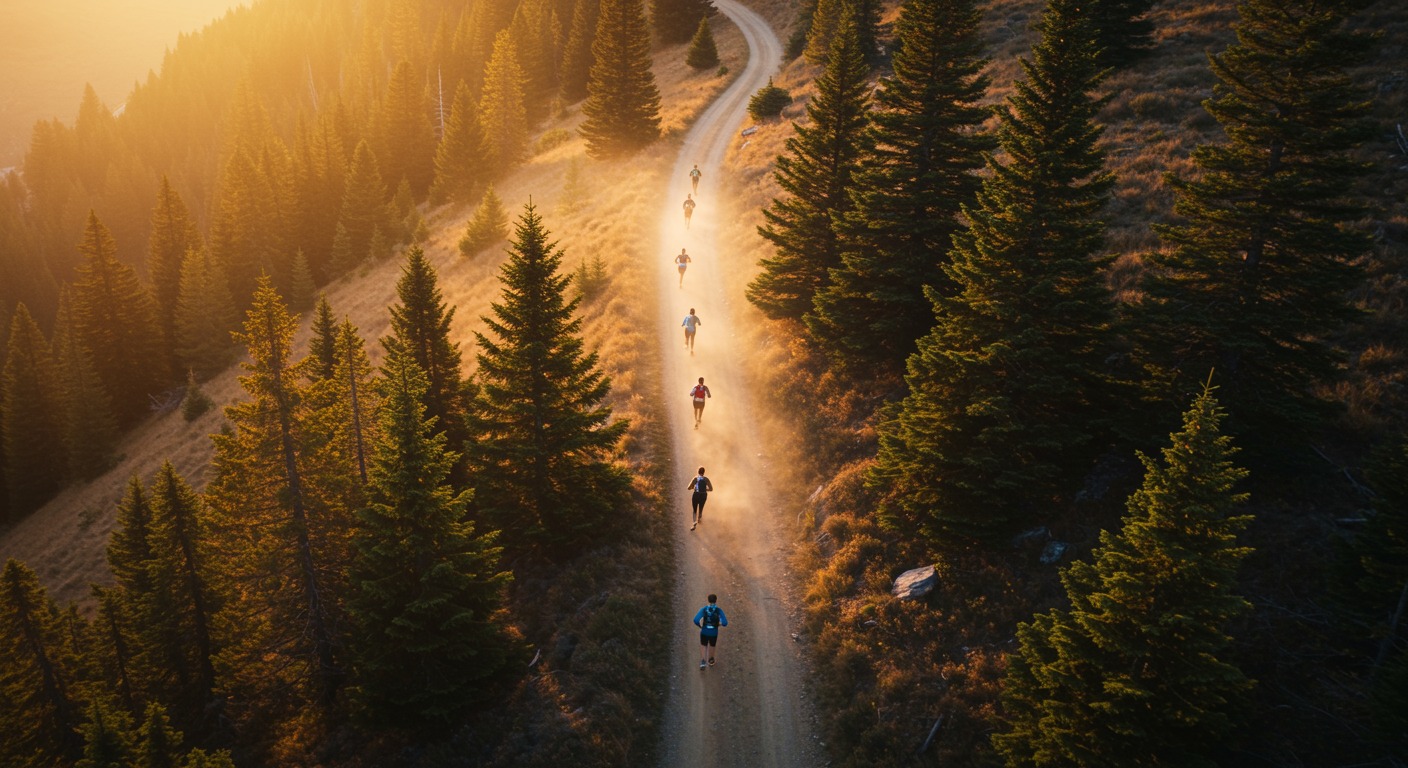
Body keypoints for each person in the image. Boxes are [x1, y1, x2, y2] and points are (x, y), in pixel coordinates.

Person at [692, 593, 728, 669]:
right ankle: (711, 659)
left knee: (703, 644)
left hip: (704, 631)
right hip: (714, 632)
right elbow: (725, 623)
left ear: (708, 600)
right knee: (712, 645)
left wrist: (700, 626)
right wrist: (719, 624)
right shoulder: (718, 610)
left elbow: (695, 620)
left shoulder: (704, 609)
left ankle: (703, 661)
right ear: (716, 600)